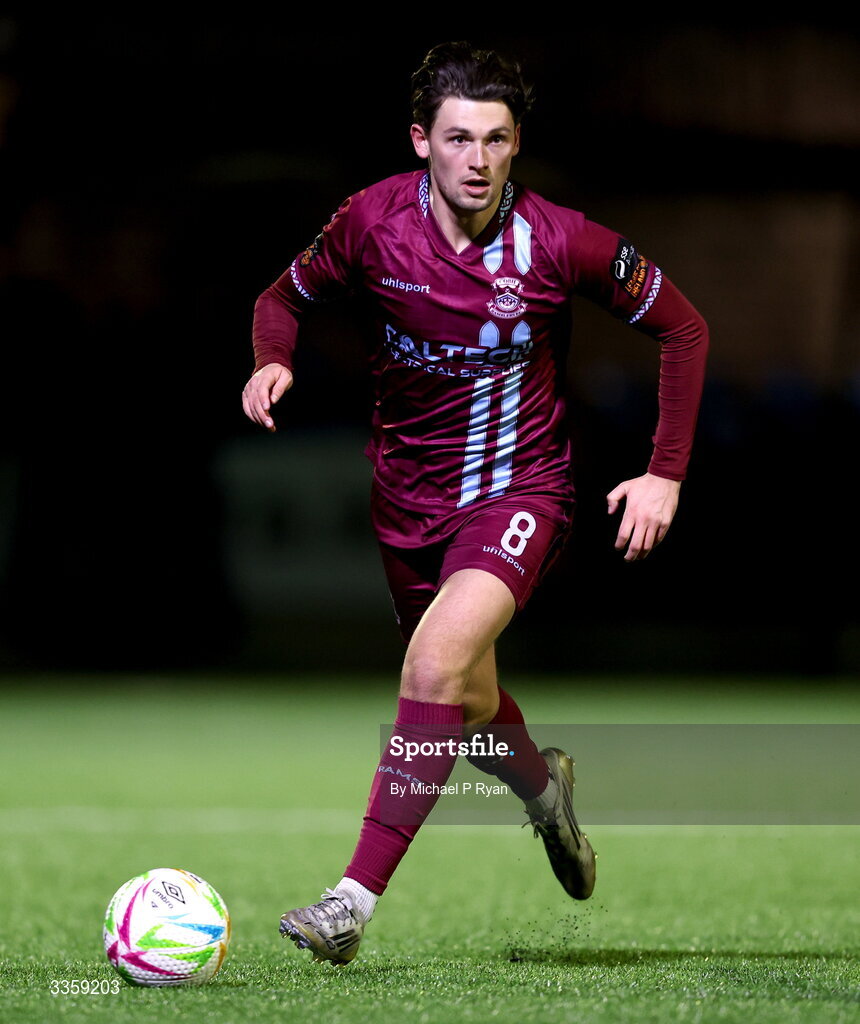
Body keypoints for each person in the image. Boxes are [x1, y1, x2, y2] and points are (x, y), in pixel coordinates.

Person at [243, 41, 708, 966]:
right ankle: (546, 792)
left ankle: (349, 903)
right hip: (406, 507)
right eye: (458, 138)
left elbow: (684, 328)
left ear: (515, 144)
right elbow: (280, 296)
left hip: (519, 493)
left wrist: (665, 471)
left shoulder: (561, 239)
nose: (478, 159)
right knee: (468, 697)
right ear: (422, 140)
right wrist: (272, 357)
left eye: (496, 139)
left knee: (433, 669)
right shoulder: (370, 223)